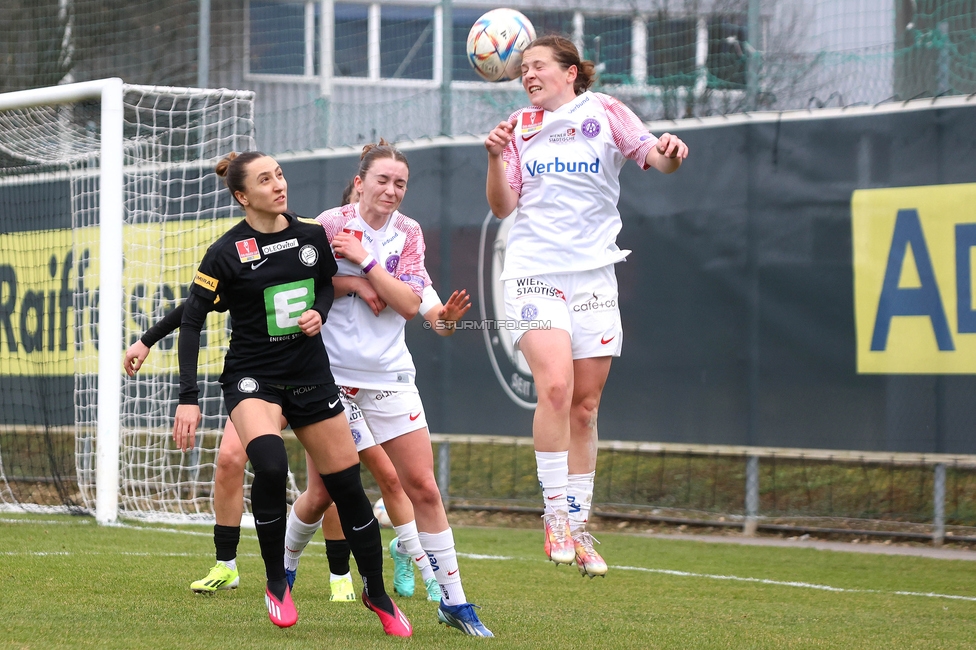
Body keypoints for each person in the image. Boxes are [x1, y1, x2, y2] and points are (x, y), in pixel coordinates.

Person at [172, 151, 410, 635]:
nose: (279, 184)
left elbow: (324, 285)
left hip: (310, 377)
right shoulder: (224, 252)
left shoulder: (310, 235)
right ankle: (277, 581)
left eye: (279, 174)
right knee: (272, 464)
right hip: (251, 379)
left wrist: (319, 312)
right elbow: (192, 321)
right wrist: (189, 396)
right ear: (242, 196)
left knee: (346, 489)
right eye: (265, 179)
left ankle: (377, 594)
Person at [484, 35, 689, 578]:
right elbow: (504, 205)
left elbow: (654, 159)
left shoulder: (608, 113)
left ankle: (578, 527)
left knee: (586, 406)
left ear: (571, 72)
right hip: (533, 273)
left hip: (594, 274)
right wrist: (494, 156)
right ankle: (553, 516)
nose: (528, 75)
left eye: (538, 66)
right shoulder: (518, 127)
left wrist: (668, 151)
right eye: (522, 68)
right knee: (555, 387)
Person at [286, 139, 494, 637]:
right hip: (331, 378)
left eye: (400, 183)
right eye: (382, 180)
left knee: (421, 485)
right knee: (322, 494)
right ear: (360, 182)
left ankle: (454, 601)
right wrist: (354, 281)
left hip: (391, 377)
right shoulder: (330, 224)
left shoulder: (409, 233)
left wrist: (375, 272)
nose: (392, 190)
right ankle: (284, 571)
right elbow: (304, 283)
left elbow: (411, 304)